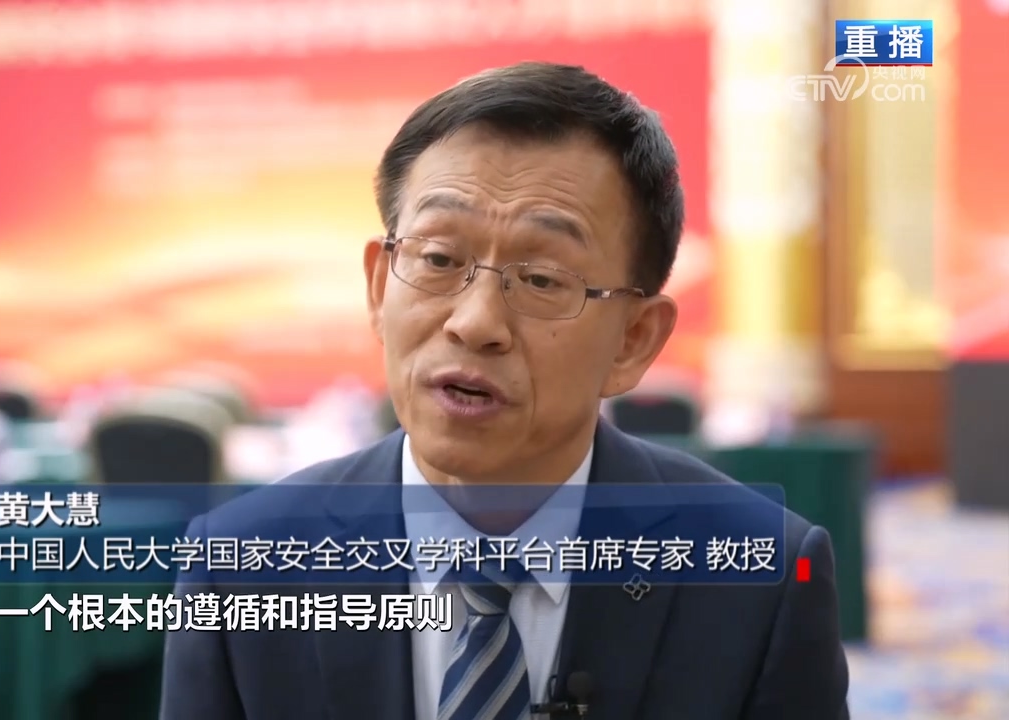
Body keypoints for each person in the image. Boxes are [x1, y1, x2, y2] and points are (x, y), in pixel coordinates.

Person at [160, 62, 850, 720]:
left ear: (634, 339)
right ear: (378, 286)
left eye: (542, 279)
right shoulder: (240, 567)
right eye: (438, 259)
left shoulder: (761, 579)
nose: (475, 322)